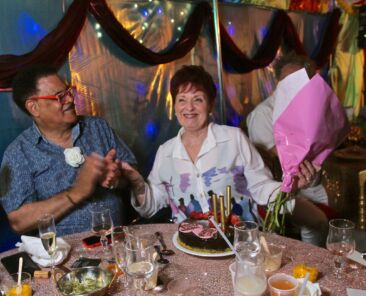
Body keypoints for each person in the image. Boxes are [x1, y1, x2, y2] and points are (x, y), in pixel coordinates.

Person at [120, 65, 321, 238]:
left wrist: (289, 186)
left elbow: (261, 188)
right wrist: (137, 183)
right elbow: (150, 206)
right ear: (174, 107)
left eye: (197, 99)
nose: (189, 107)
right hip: (190, 247)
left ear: (210, 104)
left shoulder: (234, 139)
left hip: (239, 242)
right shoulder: (166, 152)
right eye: (182, 99)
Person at [0, 64, 136, 236]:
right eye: (60, 97)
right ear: (34, 107)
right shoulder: (18, 154)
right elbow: (19, 221)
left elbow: (133, 174)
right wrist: (78, 191)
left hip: (116, 241)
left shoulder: (98, 127)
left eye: (69, 92)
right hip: (64, 258)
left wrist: (117, 177)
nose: (70, 100)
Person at [246, 52, 329, 246]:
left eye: (299, 80)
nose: (292, 86)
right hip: (280, 190)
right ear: (278, 82)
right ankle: (311, 255)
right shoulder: (263, 114)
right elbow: (283, 162)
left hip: (312, 184)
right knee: (318, 222)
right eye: (286, 80)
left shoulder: (311, 110)